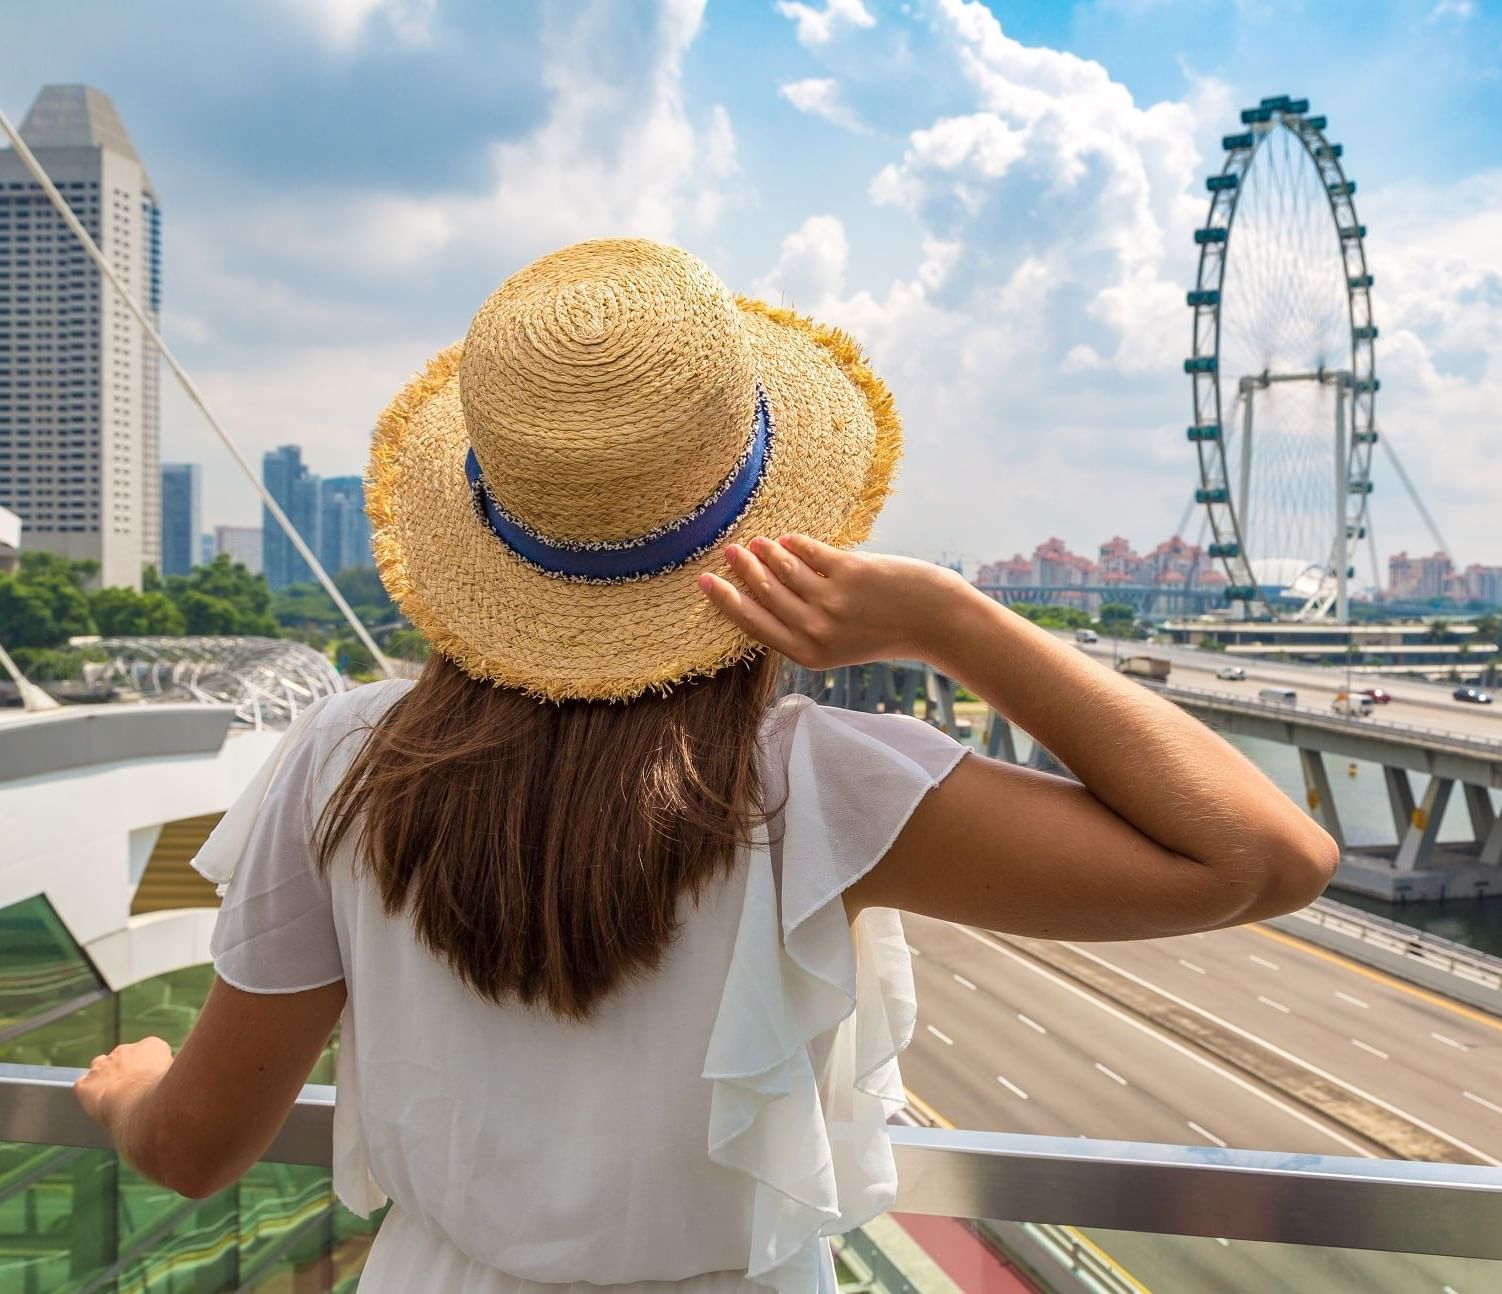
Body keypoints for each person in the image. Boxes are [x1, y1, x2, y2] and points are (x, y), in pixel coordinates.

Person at [73, 239, 1337, 1293]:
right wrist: (956, 621)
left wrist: (132, 1094)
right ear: (774, 533)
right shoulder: (805, 787)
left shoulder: (348, 756)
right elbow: (1262, 857)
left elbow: (196, 1150)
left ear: (487, 530)